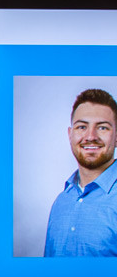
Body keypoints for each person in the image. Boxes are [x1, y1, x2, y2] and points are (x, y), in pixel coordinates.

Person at [44, 87, 117, 257]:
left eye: (103, 128)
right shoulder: (61, 202)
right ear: (70, 135)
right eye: (82, 127)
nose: (90, 136)